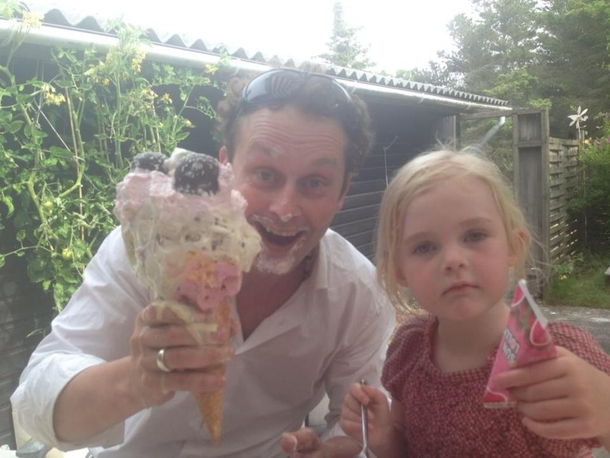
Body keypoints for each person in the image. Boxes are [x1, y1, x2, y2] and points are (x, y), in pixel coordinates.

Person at [11, 68, 395, 458]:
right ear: (225, 168)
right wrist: (134, 380)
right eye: (265, 174)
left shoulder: (358, 295)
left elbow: (361, 428)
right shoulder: (150, 250)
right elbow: (36, 403)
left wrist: (330, 449)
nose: (284, 209)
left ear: (343, 191)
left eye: (314, 182)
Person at [334, 148, 610, 457]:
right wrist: (383, 437)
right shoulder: (409, 348)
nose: (452, 260)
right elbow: (404, 444)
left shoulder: (565, 352)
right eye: (425, 247)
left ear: (513, 246)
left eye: (475, 235)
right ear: (400, 271)